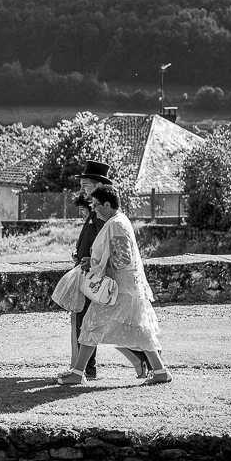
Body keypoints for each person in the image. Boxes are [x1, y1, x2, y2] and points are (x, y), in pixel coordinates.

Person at [57, 185, 171, 386]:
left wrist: (94, 264)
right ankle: (160, 370)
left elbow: (123, 259)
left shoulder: (116, 224)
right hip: (126, 287)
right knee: (140, 328)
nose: (94, 209)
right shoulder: (118, 221)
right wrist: (92, 260)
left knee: (91, 324)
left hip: (117, 288)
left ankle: (77, 372)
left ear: (107, 205)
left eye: (96, 205)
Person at [70, 161, 114, 380]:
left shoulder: (99, 214)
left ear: (97, 185)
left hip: (92, 273)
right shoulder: (93, 211)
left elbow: (102, 243)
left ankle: (85, 368)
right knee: (84, 319)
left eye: (85, 184)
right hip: (86, 269)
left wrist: (89, 260)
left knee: (87, 320)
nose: (82, 189)